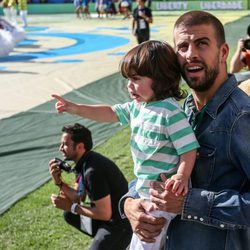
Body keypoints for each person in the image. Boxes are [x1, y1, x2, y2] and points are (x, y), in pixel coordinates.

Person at [121, 10, 250, 250]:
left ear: (223, 52)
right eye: (182, 47)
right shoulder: (180, 110)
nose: (191, 55)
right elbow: (155, 166)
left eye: (201, 44)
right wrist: (129, 203)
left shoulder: (242, 117)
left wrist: (188, 203)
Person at [52, 40, 199, 250]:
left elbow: (188, 149)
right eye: (127, 79)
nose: (129, 85)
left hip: (163, 195)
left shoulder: (170, 112)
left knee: (146, 241)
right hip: (144, 190)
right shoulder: (138, 107)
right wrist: (76, 109)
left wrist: (181, 176)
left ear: (160, 78)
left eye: (136, 79)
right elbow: (110, 112)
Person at [49, 123, 132, 250]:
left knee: (71, 212)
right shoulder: (84, 162)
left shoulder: (92, 171)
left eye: (65, 144)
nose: (61, 148)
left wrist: (71, 206)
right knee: (70, 215)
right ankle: (106, 240)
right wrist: (59, 182)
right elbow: (78, 197)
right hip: (110, 218)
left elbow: (104, 213)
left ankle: (120, 242)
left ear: (80, 146)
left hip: (121, 224)